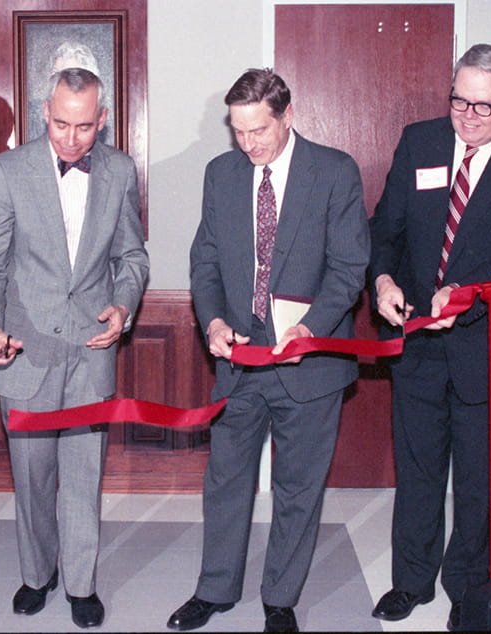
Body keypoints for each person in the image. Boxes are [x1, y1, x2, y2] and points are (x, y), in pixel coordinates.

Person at [167, 68, 369, 633]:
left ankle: (280, 599)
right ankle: (214, 590)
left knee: (298, 487)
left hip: (310, 361)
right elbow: (205, 259)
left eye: (259, 130)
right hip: (240, 359)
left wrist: (311, 328)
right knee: (225, 479)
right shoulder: (222, 174)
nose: (248, 143)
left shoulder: (334, 171)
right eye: (238, 131)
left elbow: (349, 267)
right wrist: (212, 320)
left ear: (287, 116)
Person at [369, 44, 491, 631]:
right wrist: (383, 279)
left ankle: (468, 591)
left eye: (483, 105)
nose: (467, 116)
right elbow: (385, 228)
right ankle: (411, 580)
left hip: (486, 348)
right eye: (459, 100)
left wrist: (464, 294)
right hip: (417, 343)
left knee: (479, 480)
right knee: (418, 470)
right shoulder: (419, 141)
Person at [0, 67, 148, 629]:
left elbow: (132, 257)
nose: (71, 138)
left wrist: (123, 307)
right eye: (61, 124)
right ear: (44, 113)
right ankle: (37, 573)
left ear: (103, 120)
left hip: (91, 349)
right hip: (25, 350)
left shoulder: (119, 171)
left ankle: (81, 584)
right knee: (32, 476)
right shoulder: (8, 170)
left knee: (84, 475)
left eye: (85, 127)